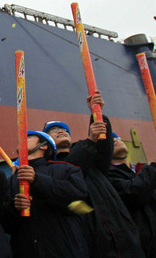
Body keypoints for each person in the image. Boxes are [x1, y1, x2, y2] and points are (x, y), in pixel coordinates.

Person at [43, 92, 144, 258]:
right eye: (53, 130)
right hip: (92, 239)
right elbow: (71, 170)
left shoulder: (90, 154)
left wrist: (97, 114)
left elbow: (104, 148)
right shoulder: (49, 167)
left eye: (63, 128)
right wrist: (90, 140)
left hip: (123, 233)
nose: (60, 131)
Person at [3, 130, 88, 257]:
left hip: (63, 250)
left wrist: (38, 180)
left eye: (30, 137)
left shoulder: (65, 170)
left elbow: (78, 200)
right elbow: (6, 225)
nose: (21, 139)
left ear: (44, 145)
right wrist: (15, 208)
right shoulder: (11, 181)